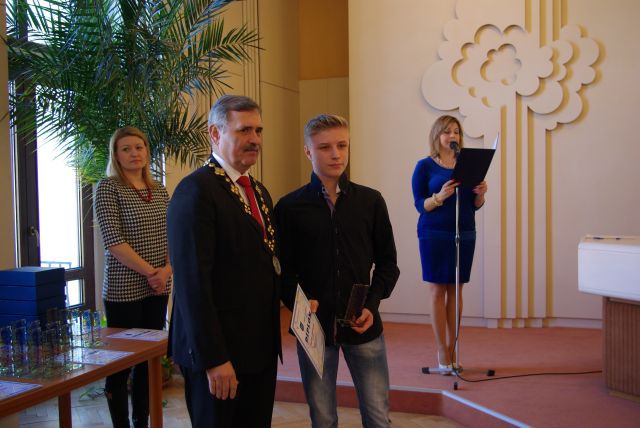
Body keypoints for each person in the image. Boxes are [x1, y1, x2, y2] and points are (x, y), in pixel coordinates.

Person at [275, 114, 400, 428]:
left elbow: (388, 264)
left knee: (377, 417)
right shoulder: (289, 208)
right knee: (323, 419)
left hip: (363, 325)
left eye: (342, 145)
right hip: (313, 329)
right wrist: (297, 302)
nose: (336, 154)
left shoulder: (371, 202)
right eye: (325, 147)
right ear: (308, 151)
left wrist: (372, 305)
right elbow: (282, 273)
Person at [167, 95, 281, 428]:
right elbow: (192, 286)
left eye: (259, 130)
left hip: (257, 348)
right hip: (219, 354)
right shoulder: (195, 192)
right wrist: (215, 359)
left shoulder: (257, 190)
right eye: (244, 130)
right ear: (215, 134)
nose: (255, 139)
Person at [95, 126, 172, 428]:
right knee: (120, 365)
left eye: (139, 147)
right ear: (115, 155)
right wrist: (152, 272)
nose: (134, 153)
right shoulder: (108, 188)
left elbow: (173, 234)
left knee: (147, 363)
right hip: (124, 290)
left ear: (147, 152)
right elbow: (114, 241)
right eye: (126, 149)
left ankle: (142, 421)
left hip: (159, 286)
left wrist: (166, 271)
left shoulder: (160, 189)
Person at [411, 115, 488, 371]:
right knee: (437, 291)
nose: (452, 136)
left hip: (464, 232)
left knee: (456, 291)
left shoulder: (468, 165)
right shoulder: (424, 166)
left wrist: (481, 195)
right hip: (434, 234)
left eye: (456, 131)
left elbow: (473, 206)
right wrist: (440, 196)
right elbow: (419, 205)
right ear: (437, 136)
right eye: (447, 131)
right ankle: (441, 351)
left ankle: (454, 349)